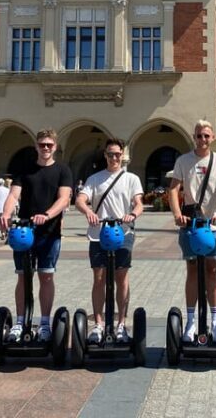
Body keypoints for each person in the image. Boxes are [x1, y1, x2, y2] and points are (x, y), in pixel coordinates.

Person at [0, 129, 73, 343]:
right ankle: (21, 321)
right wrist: (5, 213)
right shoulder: (25, 169)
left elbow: (64, 198)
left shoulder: (62, 170)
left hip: (49, 232)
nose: (46, 148)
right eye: (42, 144)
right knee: (23, 276)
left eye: (49, 144)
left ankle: (44, 323)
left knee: (46, 276)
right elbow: (14, 194)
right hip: (24, 231)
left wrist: (47, 215)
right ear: (36, 146)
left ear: (55, 147)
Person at [75, 139, 144, 344]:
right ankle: (98, 324)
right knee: (99, 277)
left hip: (123, 233)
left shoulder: (131, 178)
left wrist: (132, 214)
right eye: (110, 154)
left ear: (122, 155)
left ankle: (121, 324)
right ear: (105, 155)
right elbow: (80, 200)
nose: (114, 158)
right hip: (99, 233)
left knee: (121, 277)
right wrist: (88, 211)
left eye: (117, 154)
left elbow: (139, 203)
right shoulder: (95, 179)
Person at [168, 119, 216, 343]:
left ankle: (215, 323)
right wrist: (177, 214)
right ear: (193, 137)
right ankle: (191, 321)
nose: (202, 139)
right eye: (198, 135)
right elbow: (174, 189)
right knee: (193, 270)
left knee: (212, 271)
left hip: (213, 225)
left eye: (206, 135)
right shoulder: (183, 160)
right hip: (191, 225)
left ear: (212, 137)